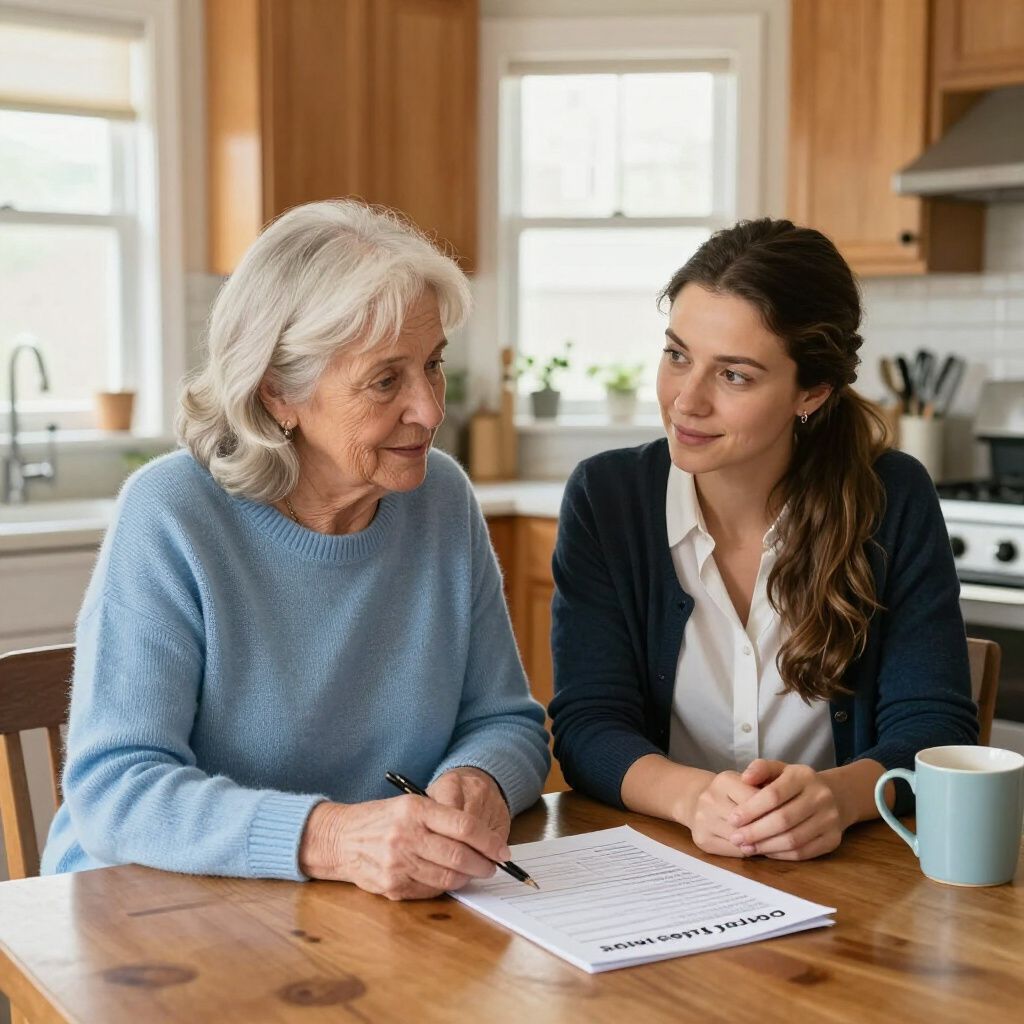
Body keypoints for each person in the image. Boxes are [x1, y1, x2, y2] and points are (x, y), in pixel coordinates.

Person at [42, 200, 550, 898]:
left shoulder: (441, 500)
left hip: (354, 910)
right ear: (278, 389)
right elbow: (115, 789)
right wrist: (332, 837)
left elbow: (505, 719)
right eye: (385, 380)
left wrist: (479, 778)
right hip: (151, 907)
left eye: (432, 366)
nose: (430, 410)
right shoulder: (174, 513)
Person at [549, 218, 978, 862]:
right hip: (665, 866)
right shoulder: (607, 499)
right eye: (677, 355)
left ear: (813, 390)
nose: (685, 402)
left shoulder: (892, 498)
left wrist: (836, 798)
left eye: (735, 376)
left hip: (848, 877)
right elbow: (588, 725)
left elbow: (935, 728)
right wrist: (693, 799)